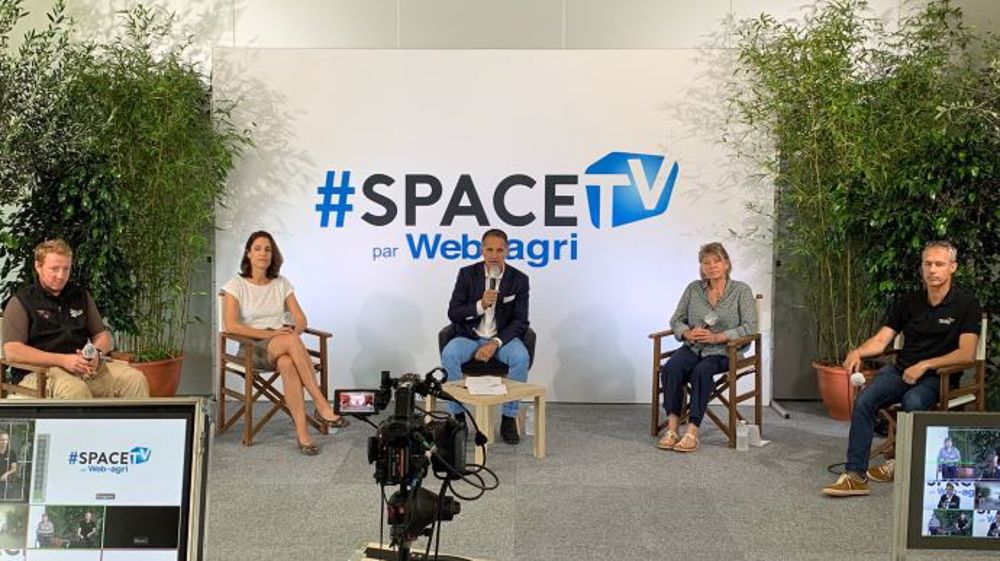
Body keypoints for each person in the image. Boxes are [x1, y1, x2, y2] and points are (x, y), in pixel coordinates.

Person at [823, 241, 981, 497]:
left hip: (937, 377)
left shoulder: (966, 304)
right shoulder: (909, 302)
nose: (932, 270)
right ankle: (855, 475)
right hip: (901, 371)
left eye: (939, 264)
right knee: (865, 401)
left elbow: (967, 353)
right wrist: (857, 351)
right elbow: (882, 340)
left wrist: (925, 365)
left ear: (953, 267)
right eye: (927, 264)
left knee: (913, 401)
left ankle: (904, 466)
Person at [222, 231, 346, 456]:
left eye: (267, 249)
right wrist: (270, 335)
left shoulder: (281, 284)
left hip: (281, 345)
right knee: (289, 341)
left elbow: (301, 319)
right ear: (248, 254)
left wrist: (291, 330)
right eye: (257, 248)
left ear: (273, 255)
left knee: (288, 363)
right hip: (251, 348)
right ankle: (321, 403)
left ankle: (303, 435)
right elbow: (230, 326)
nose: (263, 253)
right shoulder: (236, 285)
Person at [1, 239, 149, 399]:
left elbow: (102, 336)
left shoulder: (80, 296)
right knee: (75, 390)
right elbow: (13, 351)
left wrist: (96, 353)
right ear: (38, 266)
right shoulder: (21, 301)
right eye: (54, 269)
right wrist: (63, 360)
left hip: (83, 369)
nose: (61, 276)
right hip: (41, 372)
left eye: (66, 269)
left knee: (135, 380)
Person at [656, 242, 756, 453]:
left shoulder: (741, 291)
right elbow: (676, 319)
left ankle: (692, 431)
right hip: (693, 347)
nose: (711, 266)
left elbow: (750, 326)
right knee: (671, 368)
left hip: (724, 350)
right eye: (706, 262)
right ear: (701, 267)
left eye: (716, 261)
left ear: (727, 264)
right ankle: (672, 429)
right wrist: (686, 332)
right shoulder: (694, 289)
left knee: (702, 372)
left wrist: (719, 336)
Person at [441, 229, 530, 444]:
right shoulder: (467, 274)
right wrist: (480, 305)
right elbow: (454, 313)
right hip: (469, 337)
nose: (494, 255)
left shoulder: (519, 279)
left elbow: (520, 321)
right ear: (481, 250)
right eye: (489, 249)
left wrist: (495, 343)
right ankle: (458, 417)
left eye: (499, 250)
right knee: (450, 353)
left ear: (507, 251)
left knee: (521, 357)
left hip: (502, 340)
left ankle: (508, 418)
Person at [0, 432, 17, 501]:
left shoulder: (11, 453)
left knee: (7, 496)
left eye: (5, 440)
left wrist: (6, 474)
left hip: (5, 480)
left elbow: (14, 468)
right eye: (2, 439)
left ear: (8, 441)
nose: (4, 441)